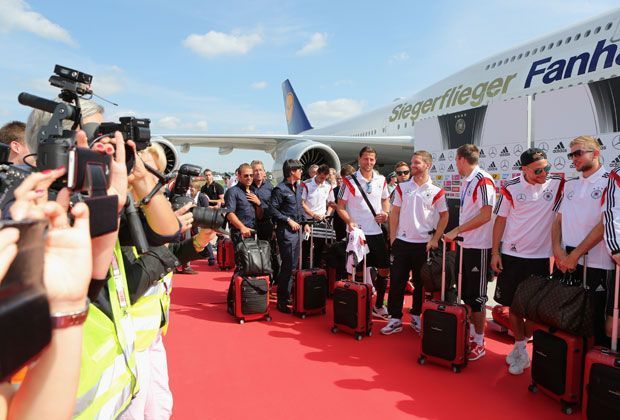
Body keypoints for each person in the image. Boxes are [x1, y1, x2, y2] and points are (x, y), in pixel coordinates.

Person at [491, 148, 564, 375]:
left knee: (534, 311)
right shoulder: (511, 187)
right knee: (513, 306)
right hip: (513, 256)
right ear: (524, 169)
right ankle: (520, 348)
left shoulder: (558, 184)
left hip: (540, 258)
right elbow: (500, 221)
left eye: (547, 168)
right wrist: (495, 252)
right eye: (538, 170)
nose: (544, 173)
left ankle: (522, 346)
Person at [552, 135, 613, 347]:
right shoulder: (570, 184)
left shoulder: (611, 182)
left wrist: (575, 255)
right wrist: (557, 251)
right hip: (566, 262)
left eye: (578, 153)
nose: (574, 158)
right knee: (563, 318)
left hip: (597, 264)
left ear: (596, 153)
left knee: (595, 325)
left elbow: (606, 224)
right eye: (571, 154)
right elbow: (557, 221)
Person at [381, 151, 449, 335]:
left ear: (427, 165)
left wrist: (435, 239)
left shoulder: (437, 191)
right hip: (402, 243)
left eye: (416, 163)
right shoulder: (403, 188)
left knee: (420, 284)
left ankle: (416, 316)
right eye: (412, 163)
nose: (412, 166)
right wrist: (393, 237)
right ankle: (395, 318)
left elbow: (445, 216)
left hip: (424, 245)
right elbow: (394, 213)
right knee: (396, 282)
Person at [445, 144, 496, 361]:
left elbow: (486, 215)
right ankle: (472, 334)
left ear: (461, 159)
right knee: (465, 294)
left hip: (479, 247)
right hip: (466, 245)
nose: (455, 164)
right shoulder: (468, 180)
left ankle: (479, 341)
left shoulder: (483, 180)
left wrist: (456, 230)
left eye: (455, 160)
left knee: (477, 298)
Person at [336, 146, 391, 319]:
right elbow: (340, 206)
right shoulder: (349, 181)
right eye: (366, 159)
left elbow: (385, 199)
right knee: (357, 272)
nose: (369, 162)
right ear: (359, 159)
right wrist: (350, 221)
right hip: (357, 234)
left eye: (372, 159)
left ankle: (378, 305)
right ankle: (359, 304)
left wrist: (385, 213)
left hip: (376, 232)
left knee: (384, 269)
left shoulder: (381, 179)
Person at [269, 159, 308, 313]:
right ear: (292, 171)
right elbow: (272, 210)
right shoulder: (280, 189)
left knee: (293, 265)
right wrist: (288, 220)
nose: (301, 172)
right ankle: (282, 300)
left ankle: (289, 295)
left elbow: (300, 208)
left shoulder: (298, 188)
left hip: (297, 231)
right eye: (299, 169)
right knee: (288, 265)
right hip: (286, 231)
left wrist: (304, 222)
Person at [301, 164, 335, 268]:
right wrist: (313, 214)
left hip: (321, 221)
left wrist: (327, 214)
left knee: (319, 249)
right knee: (305, 248)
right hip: (307, 220)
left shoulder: (328, 186)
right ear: (317, 174)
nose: (322, 180)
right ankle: (304, 271)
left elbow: (331, 203)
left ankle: (316, 272)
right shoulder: (306, 184)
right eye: (321, 177)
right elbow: (302, 203)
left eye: (325, 178)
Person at [250, 160, 279, 280]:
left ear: (264, 172)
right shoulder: (246, 187)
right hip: (251, 225)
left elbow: (274, 208)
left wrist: (259, 203)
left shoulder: (270, 188)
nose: (257, 172)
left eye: (260, 170)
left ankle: (273, 277)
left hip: (267, 224)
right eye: (255, 170)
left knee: (269, 251)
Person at [224, 163, 261, 246]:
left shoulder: (254, 191)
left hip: (254, 232)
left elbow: (259, 215)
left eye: (251, 175)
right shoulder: (232, 192)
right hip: (240, 235)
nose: (249, 178)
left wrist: (259, 204)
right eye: (246, 176)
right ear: (239, 176)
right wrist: (242, 227)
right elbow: (229, 213)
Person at [332, 164, 355, 241]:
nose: (340, 180)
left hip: (355, 221)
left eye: (342, 179)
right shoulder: (339, 189)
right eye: (339, 178)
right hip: (342, 220)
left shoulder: (358, 187)